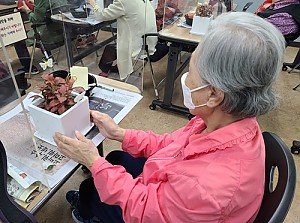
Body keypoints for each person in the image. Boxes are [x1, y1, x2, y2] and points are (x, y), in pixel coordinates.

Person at [54, 12, 286, 223]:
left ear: (214, 94)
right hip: (174, 183)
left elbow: (143, 211)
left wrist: (94, 162)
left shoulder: (207, 187)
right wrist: (120, 134)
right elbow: (173, 145)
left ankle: (86, 212)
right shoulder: (225, 119)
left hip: (158, 207)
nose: (185, 79)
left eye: (191, 74)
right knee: (116, 157)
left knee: (94, 189)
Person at [86, 0, 157, 80]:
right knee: (117, 45)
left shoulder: (123, 1)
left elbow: (102, 16)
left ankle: (104, 72)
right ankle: (118, 67)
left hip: (140, 46)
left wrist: (93, 3)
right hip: (150, 42)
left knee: (109, 49)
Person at [15, 0, 67, 74]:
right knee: (43, 28)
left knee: (18, 39)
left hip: (50, 39)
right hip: (64, 35)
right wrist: (36, 4)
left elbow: (35, 19)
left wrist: (26, 9)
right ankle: (49, 57)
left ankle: (29, 68)